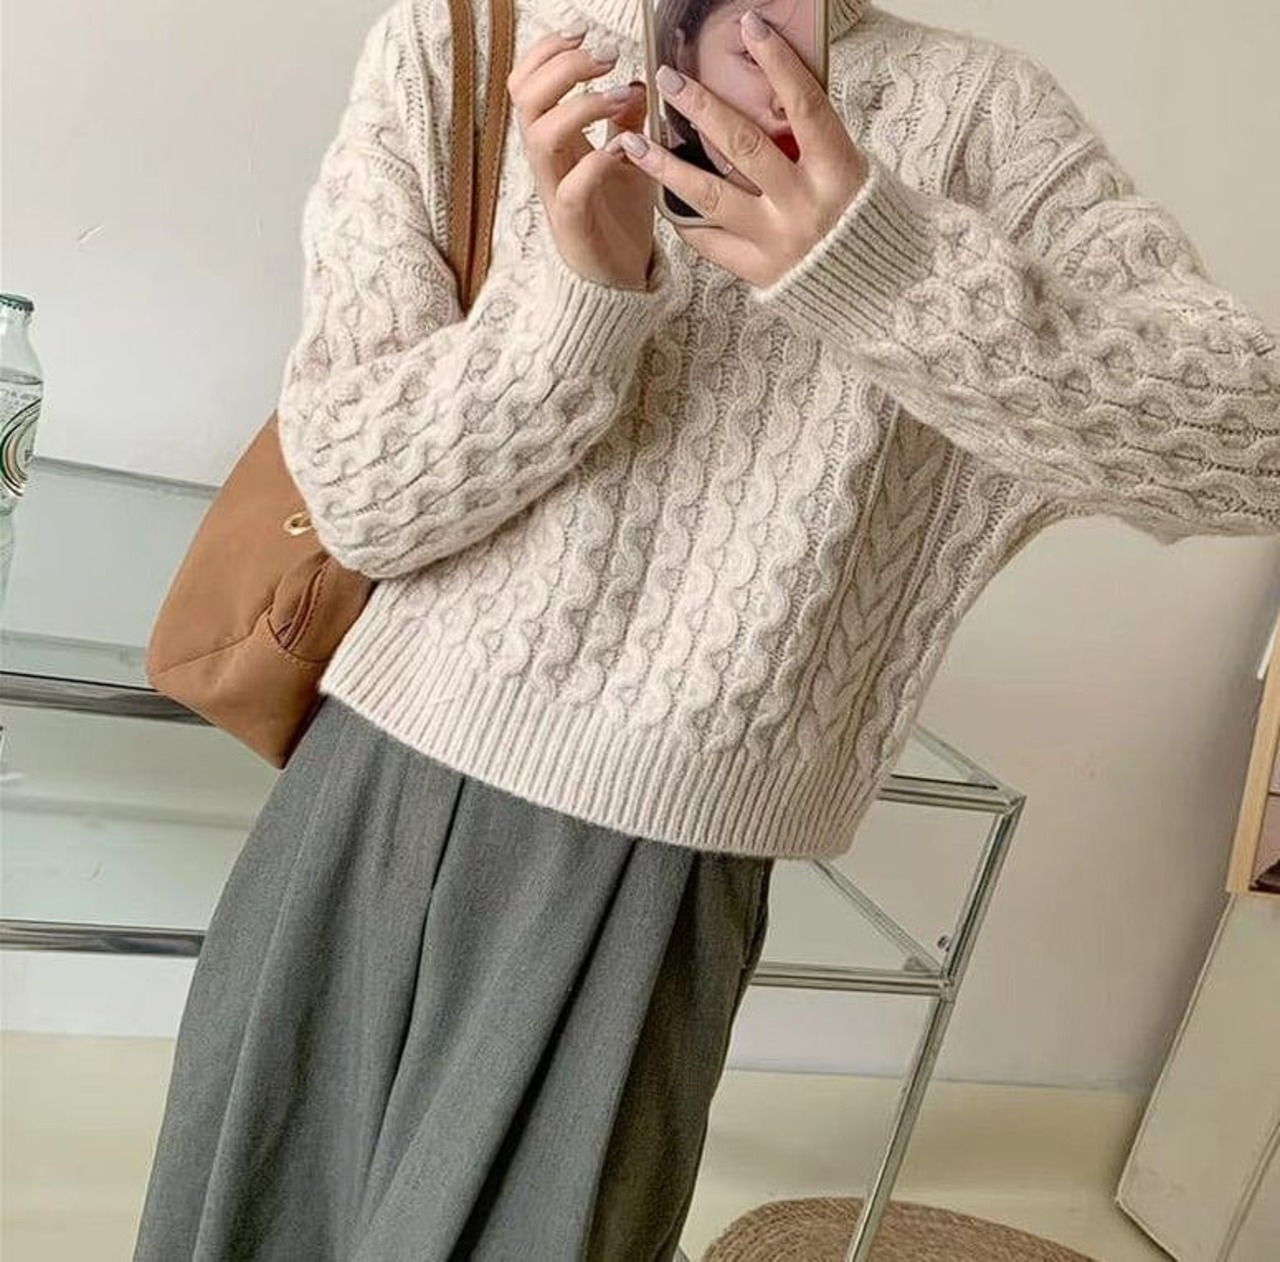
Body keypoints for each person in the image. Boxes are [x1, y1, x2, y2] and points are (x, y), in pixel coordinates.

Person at [133, 0, 1280, 1257]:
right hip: (366, 789)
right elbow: (359, 499)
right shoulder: (462, 36)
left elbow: (1249, 448)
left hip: (661, 861)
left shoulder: (986, 118)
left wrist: (877, 267)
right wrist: (577, 302)